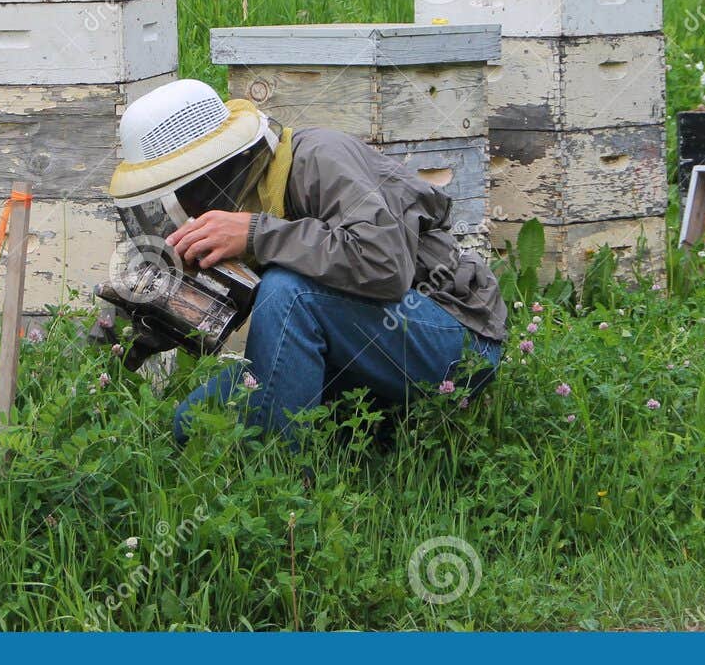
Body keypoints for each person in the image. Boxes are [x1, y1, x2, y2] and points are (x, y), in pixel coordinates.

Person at [105, 78, 506, 443]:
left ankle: (280, 484)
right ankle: (366, 433)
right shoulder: (246, 200)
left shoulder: (320, 158)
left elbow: (386, 266)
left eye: (180, 190)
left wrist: (257, 234)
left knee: (288, 291)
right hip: (359, 346)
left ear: (209, 173)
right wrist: (152, 320)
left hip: (454, 335)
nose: (182, 206)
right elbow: (243, 300)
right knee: (193, 422)